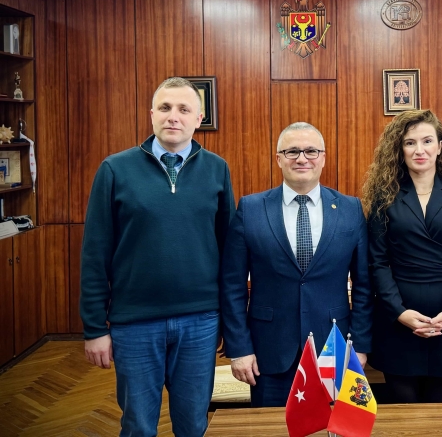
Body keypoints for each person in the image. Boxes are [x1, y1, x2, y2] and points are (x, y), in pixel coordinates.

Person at [79, 77, 236, 437]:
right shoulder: (115, 169)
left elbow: (228, 250)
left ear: (198, 118)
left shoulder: (217, 169)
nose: (173, 116)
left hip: (200, 321)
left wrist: (230, 322)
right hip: (135, 323)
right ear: (152, 114)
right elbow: (94, 254)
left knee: (193, 424)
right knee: (138, 426)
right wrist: (94, 328)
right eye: (165, 108)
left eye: (183, 109)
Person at [220, 122, 372, 407]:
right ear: (279, 159)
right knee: (272, 426)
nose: (302, 158)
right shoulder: (251, 209)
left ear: (323, 158)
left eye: (311, 151)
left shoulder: (350, 209)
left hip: (334, 349)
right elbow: (232, 286)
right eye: (292, 151)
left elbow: (364, 284)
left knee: (332, 427)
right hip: (269, 351)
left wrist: (360, 346)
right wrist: (239, 348)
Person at [362, 109, 442, 403]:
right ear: (400, 150)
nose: (420, 150)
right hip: (398, 320)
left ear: (440, 147)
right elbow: (377, 262)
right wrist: (399, 312)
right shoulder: (384, 196)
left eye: (427, 141)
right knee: (404, 413)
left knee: (441, 412)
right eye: (410, 143)